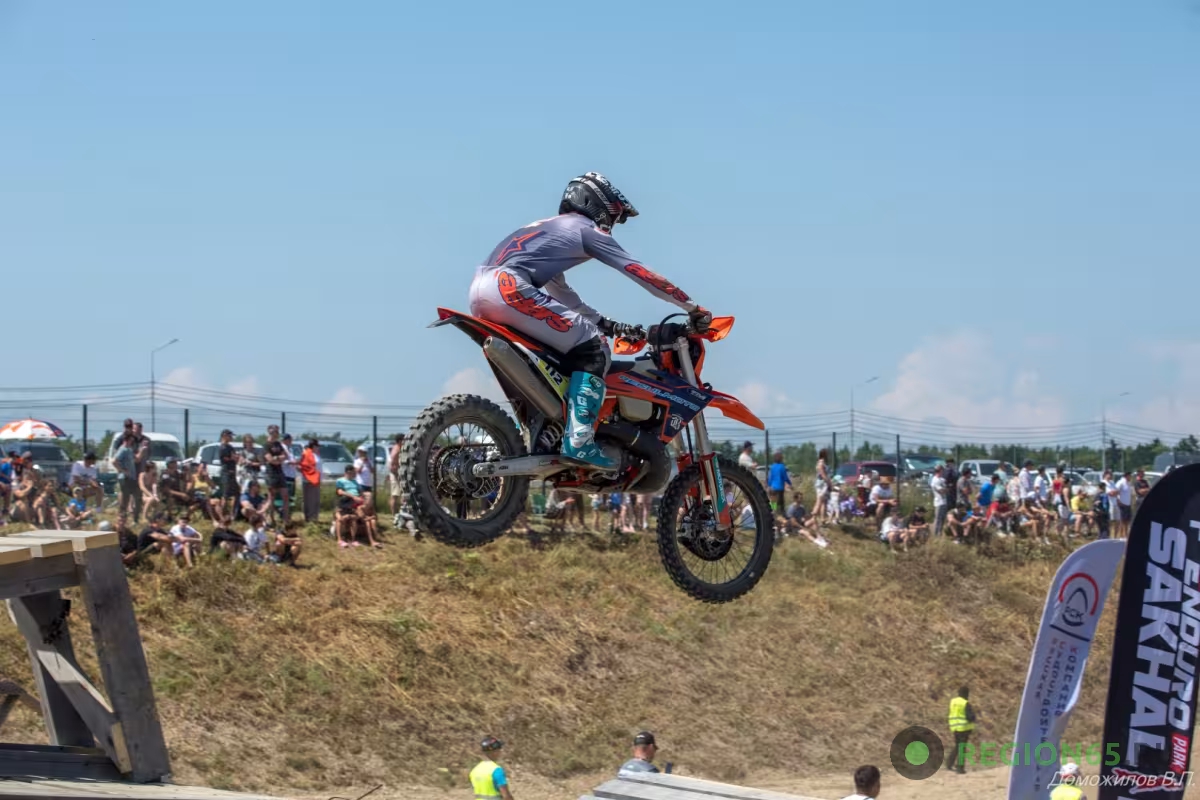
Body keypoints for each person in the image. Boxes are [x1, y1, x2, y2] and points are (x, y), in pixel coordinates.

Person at [467, 172, 710, 469]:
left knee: (564, 350)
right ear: (594, 202)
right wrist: (692, 307)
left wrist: (607, 323)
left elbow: (562, 294)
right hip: (509, 288)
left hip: (482, 290)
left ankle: (547, 429)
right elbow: (639, 272)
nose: (613, 223)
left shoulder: (550, 229)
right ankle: (580, 440)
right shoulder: (586, 230)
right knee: (595, 347)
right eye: (614, 214)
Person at [946, 686, 978, 774]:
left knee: (957, 746)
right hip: (964, 728)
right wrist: (974, 718)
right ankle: (960, 768)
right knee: (962, 748)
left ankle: (949, 763)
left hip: (954, 727)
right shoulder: (965, 703)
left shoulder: (953, 702)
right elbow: (970, 717)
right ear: (966, 694)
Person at [298, 438, 322, 523]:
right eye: (317, 446)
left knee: (316, 500)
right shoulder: (306, 453)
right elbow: (302, 466)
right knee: (309, 500)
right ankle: (309, 519)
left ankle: (314, 518)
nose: (318, 448)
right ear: (314, 446)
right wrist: (310, 476)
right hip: (309, 480)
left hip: (316, 480)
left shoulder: (316, 454)